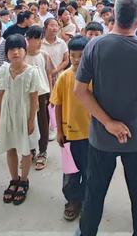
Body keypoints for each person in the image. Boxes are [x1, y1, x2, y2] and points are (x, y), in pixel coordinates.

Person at [74, 0, 137, 236]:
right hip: (136, 135)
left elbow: (80, 91)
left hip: (101, 135)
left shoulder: (94, 45)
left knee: (94, 192)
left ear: (113, 15)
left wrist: (108, 122)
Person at [0, 35, 48, 205]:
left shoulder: (32, 72)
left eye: (19, 48)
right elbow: (0, 95)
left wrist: (31, 121)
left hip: (24, 115)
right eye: (11, 49)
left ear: (25, 51)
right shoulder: (3, 70)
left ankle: (24, 180)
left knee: (25, 150)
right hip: (8, 115)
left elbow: (34, 100)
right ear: (7, 52)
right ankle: (14, 179)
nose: (15, 52)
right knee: (10, 147)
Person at [51, 36, 90, 221]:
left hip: (91, 136)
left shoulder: (94, 77)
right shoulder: (64, 77)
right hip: (69, 134)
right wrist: (59, 130)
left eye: (81, 56)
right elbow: (57, 105)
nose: (76, 60)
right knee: (70, 173)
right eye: (73, 56)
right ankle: (72, 201)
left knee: (90, 172)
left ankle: (88, 200)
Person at [26, 25, 54, 171]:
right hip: (26, 94)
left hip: (42, 93)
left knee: (43, 123)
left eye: (38, 38)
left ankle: (42, 151)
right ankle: (30, 150)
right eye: (31, 38)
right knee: (28, 123)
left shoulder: (44, 55)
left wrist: (51, 92)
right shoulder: (23, 55)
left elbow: (49, 74)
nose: (35, 41)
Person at [42, 18, 69, 87]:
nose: (55, 28)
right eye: (52, 25)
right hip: (43, 77)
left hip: (58, 76)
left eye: (56, 26)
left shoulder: (62, 43)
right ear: (45, 27)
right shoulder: (40, 43)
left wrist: (55, 71)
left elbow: (66, 60)